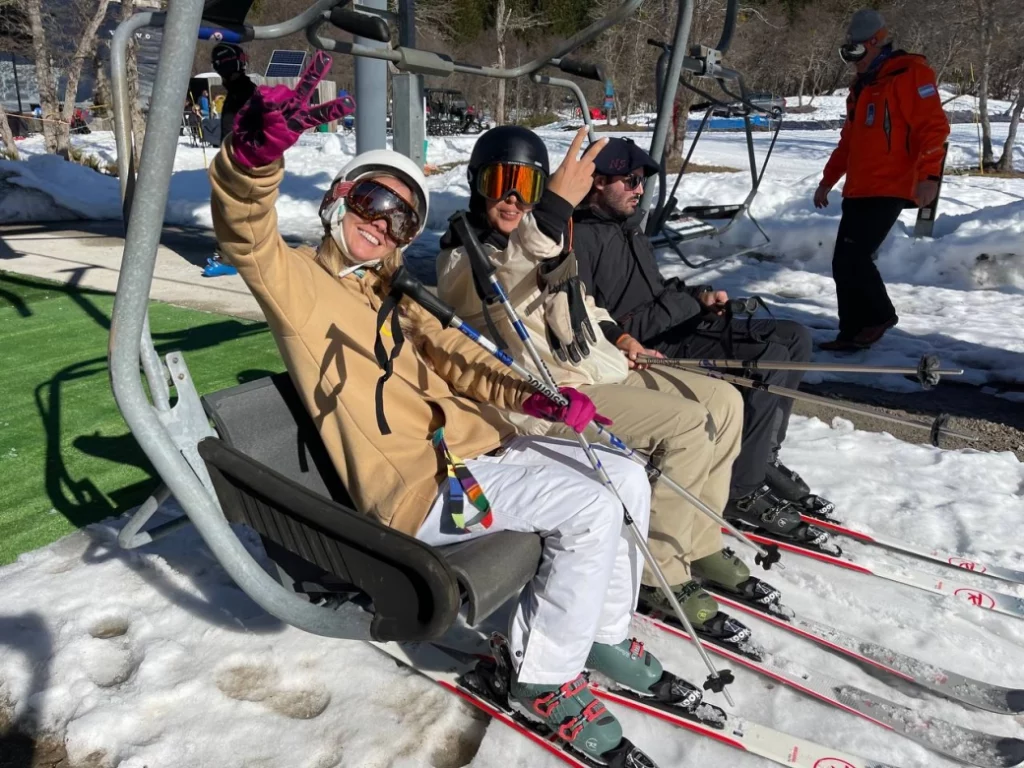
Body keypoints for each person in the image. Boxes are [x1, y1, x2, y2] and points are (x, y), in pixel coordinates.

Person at [209, 52, 694, 767]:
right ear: (340, 200)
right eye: (372, 204)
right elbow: (245, 231)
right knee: (588, 511)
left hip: (478, 452)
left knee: (622, 474)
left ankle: (603, 632)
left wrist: (538, 397)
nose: (381, 225)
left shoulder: (396, 294)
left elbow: (465, 359)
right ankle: (544, 679)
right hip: (425, 490)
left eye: (400, 219)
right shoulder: (298, 288)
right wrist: (251, 164)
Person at [437, 125, 781, 641]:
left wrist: (619, 336)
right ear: (476, 183)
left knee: (725, 400)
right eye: (499, 181)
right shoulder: (463, 253)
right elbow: (502, 282)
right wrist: (550, 209)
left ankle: (697, 539)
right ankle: (659, 570)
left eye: (526, 186)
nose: (512, 198)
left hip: (593, 366)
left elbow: (578, 298)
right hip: (545, 395)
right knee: (686, 425)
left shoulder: (542, 234)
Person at [571, 137, 832, 547]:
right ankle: (740, 489)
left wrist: (698, 297)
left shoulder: (627, 228)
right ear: (598, 182)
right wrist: (680, 311)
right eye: (630, 180)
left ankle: (761, 458)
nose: (639, 189)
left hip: (678, 324)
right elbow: (589, 314)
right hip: (651, 345)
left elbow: (654, 287)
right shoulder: (580, 237)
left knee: (794, 338)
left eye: (641, 180)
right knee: (767, 358)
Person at [815, 9, 950, 351]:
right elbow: (849, 142)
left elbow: (933, 129)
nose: (852, 61)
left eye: (856, 53)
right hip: (859, 188)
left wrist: (930, 176)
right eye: (847, 54)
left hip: (890, 186)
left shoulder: (909, 75)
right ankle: (850, 334)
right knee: (842, 262)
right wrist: (827, 181)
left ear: (876, 43)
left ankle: (879, 316)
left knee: (855, 258)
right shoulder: (862, 88)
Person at [203, 43, 260, 278]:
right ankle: (232, 254)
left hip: (243, 159)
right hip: (234, 157)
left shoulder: (245, 90)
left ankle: (231, 257)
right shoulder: (237, 89)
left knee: (233, 209)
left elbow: (253, 126)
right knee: (229, 207)